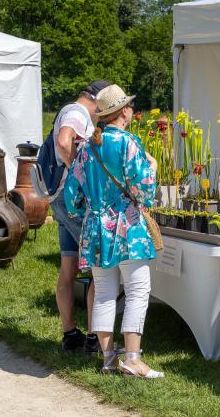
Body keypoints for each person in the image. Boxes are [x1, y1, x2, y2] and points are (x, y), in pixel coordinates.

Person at [63, 84, 162, 378]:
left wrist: (92, 213)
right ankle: (132, 359)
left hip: (96, 229)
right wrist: (153, 167)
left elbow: (71, 196)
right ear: (123, 112)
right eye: (129, 106)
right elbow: (143, 190)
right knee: (137, 290)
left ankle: (108, 358)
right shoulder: (128, 143)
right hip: (127, 226)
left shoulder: (87, 147)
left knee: (105, 293)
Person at [52, 79, 110, 352]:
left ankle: (70, 334)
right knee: (98, 269)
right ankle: (93, 338)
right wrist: (80, 174)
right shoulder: (77, 113)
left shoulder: (68, 110)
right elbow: (65, 142)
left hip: (60, 199)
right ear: (96, 99)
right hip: (72, 198)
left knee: (69, 267)